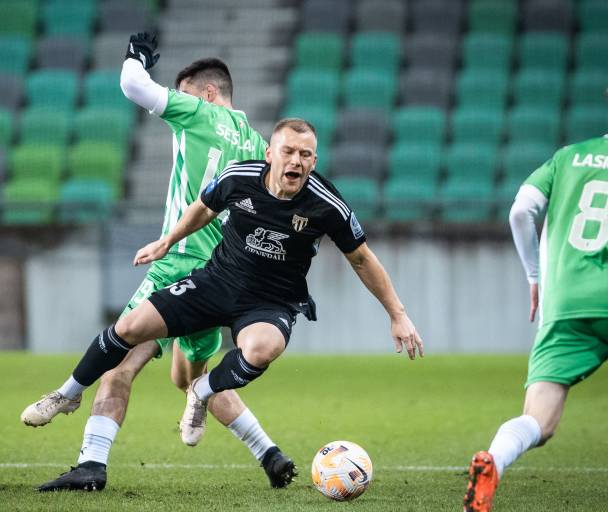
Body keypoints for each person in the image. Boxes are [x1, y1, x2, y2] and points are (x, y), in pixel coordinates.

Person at [33, 118, 423, 492]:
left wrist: (398, 315)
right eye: (288, 151)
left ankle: (202, 390)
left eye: (305, 154)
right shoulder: (239, 177)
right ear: (270, 153)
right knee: (130, 327)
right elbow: (204, 207)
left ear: (314, 160)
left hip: (271, 302)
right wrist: (167, 241)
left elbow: (362, 258)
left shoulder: (326, 203)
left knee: (262, 349)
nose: (296, 161)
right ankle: (67, 393)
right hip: (215, 283)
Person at [22, 33, 296, 491]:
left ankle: (90, 459)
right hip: (220, 275)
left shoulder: (200, 112)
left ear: (208, 93)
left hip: (177, 265)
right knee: (192, 379)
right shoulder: (257, 144)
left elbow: (133, 85)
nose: (179, 104)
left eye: (186, 94)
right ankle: (269, 453)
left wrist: (137, 57)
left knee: (120, 363)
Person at [462, 135, 608, 512]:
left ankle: (494, 461)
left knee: (539, 420)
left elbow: (520, 211)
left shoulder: (569, 157)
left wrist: (534, 275)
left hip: (567, 302)